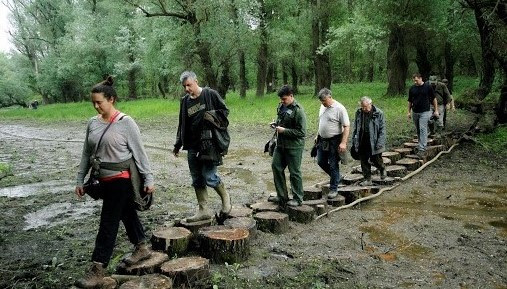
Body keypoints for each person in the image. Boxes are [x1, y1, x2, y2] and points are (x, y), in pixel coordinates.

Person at [74, 76, 155, 288]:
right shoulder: (92, 123)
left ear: (111, 99)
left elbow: (140, 153)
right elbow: (86, 154)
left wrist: (149, 178)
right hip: (102, 180)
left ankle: (98, 268)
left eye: (99, 102)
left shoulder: (126, 123)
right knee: (126, 212)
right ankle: (142, 246)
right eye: (93, 102)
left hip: (122, 179)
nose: (95, 105)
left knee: (108, 222)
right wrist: (79, 179)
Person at [173, 71, 231, 222]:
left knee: (209, 176)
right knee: (197, 178)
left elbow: (225, 112)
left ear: (196, 81)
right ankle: (203, 210)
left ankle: (226, 199)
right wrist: (177, 144)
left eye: (189, 85)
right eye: (184, 86)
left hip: (209, 144)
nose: (187, 89)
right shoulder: (185, 101)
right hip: (192, 145)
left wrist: (211, 115)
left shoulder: (210, 94)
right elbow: (182, 124)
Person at [269, 85, 307, 207]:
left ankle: (298, 198)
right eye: (281, 99)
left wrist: (284, 131)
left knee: (294, 172)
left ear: (291, 96)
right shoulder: (281, 106)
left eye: (284, 99)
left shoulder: (298, 110)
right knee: (276, 167)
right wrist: (276, 125)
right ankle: (282, 196)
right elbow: (282, 121)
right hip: (280, 145)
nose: (282, 101)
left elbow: (301, 132)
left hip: (294, 147)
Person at [315, 88, 350, 198]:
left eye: (324, 101)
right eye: (321, 101)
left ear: (330, 97)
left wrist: (343, 143)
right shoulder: (322, 106)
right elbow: (322, 121)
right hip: (322, 139)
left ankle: (333, 188)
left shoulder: (340, 108)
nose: (323, 103)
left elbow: (346, 126)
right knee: (320, 161)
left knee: (334, 164)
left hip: (335, 140)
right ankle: (337, 177)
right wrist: (318, 134)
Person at [351, 96, 386, 186]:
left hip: (374, 141)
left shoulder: (378, 113)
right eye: (362, 107)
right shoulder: (358, 112)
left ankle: (382, 168)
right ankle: (367, 179)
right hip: (362, 139)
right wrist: (354, 140)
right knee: (364, 160)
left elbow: (382, 129)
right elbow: (356, 127)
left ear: (371, 104)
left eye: (365, 106)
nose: (364, 109)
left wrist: (380, 143)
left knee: (376, 159)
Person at [408, 73, 439, 159]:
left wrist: (436, 110)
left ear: (421, 78)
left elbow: (434, 99)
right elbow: (410, 101)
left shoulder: (428, 87)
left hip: (425, 111)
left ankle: (422, 148)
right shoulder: (412, 88)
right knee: (418, 129)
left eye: (416, 80)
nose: (415, 82)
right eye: (414, 80)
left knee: (423, 129)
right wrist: (408, 112)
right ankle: (420, 144)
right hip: (415, 112)